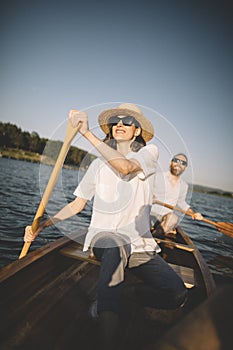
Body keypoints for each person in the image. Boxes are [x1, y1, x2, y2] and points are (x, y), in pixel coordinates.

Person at [24, 104, 187, 350]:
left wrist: (86, 133)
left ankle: (117, 296)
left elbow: (126, 167)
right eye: (116, 120)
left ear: (136, 131)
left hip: (139, 244)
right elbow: (78, 204)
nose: (120, 123)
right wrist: (42, 225)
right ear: (111, 129)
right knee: (116, 244)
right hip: (105, 240)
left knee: (177, 294)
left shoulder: (149, 153)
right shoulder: (97, 165)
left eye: (127, 120)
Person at [151, 153, 203, 236]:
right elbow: (144, 191)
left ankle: (153, 237)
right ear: (171, 162)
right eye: (176, 161)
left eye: (183, 163)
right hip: (150, 213)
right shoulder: (157, 176)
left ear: (185, 168)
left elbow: (182, 203)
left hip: (166, 218)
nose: (179, 164)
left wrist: (193, 213)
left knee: (173, 218)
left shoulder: (184, 186)